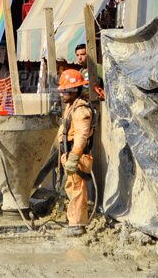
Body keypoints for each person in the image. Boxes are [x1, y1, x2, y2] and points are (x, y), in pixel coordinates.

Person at [56, 69, 95, 237]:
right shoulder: (71, 107)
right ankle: (73, 221)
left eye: (66, 91)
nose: (62, 94)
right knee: (72, 188)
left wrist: (73, 158)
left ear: (75, 91)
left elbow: (81, 137)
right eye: (62, 90)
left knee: (78, 189)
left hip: (77, 156)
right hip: (70, 155)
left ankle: (77, 224)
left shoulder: (80, 111)